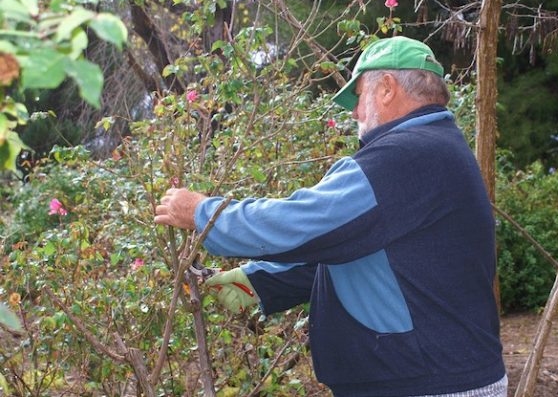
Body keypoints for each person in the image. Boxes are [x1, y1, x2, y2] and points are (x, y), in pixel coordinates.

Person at [154, 36, 507, 397]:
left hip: (427, 384)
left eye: (358, 97)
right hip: (440, 376)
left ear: (387, 88)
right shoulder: (436, 147)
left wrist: (203, 212)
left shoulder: (404, 155)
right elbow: (366, 256)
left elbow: (300, 222)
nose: (354, 112)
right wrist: (257, 281)